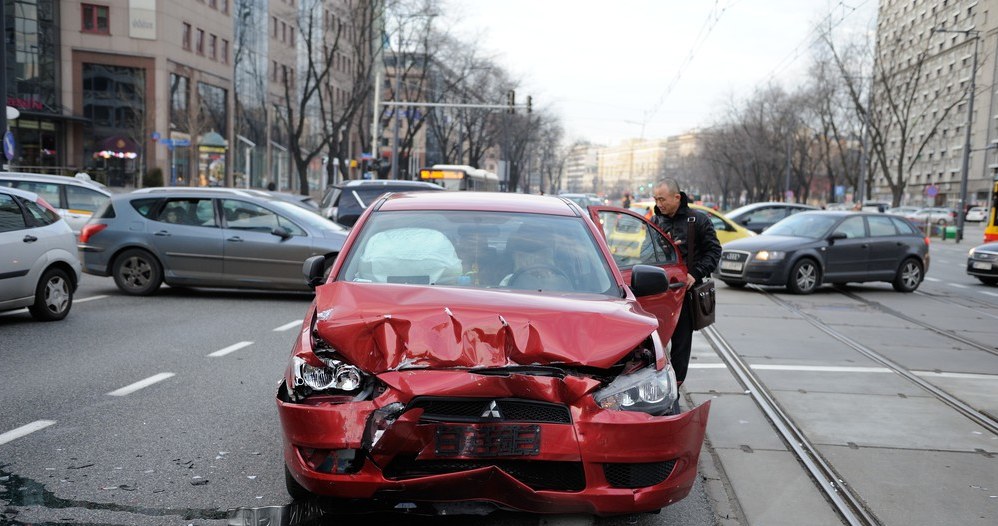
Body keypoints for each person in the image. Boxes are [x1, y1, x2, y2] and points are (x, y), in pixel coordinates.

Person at [650, 179, 721, 386]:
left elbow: (714, 252)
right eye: (656, 199)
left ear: (677, 197)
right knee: (656, 345)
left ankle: (676, 388)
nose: (659, 203)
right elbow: (646, 255)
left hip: (685, 295)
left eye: (662, 199)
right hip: (659, 293)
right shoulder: (655, 221)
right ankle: (656, 386)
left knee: (681, 347)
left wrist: (695, 274)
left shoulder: (698, 221)